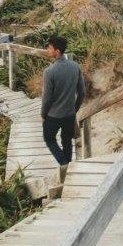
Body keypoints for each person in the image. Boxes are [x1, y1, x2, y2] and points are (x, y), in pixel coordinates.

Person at [41, 35, 86, 172]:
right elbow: (82, 92)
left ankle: (64, 164)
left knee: (49, 139)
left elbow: (47, 98)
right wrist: (75, 108)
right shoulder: (75, 67)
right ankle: (68, 167)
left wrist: (43, 114)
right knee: (67, 141)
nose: (47, 50)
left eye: (49, 48)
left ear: (57, 51)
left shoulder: (49, 72)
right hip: (69, 114)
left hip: (53, 115)